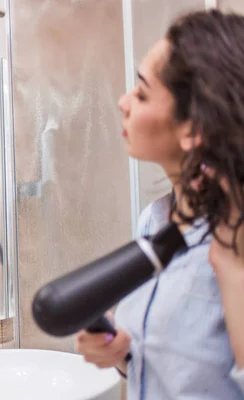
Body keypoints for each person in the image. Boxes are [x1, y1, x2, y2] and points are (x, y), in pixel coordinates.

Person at [74, 9, 244, 399]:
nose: (123, 102)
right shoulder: (153, 222)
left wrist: (233, 265)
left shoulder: (236, 240)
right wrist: (119, 353)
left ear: (194, 129)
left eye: (142, 91)